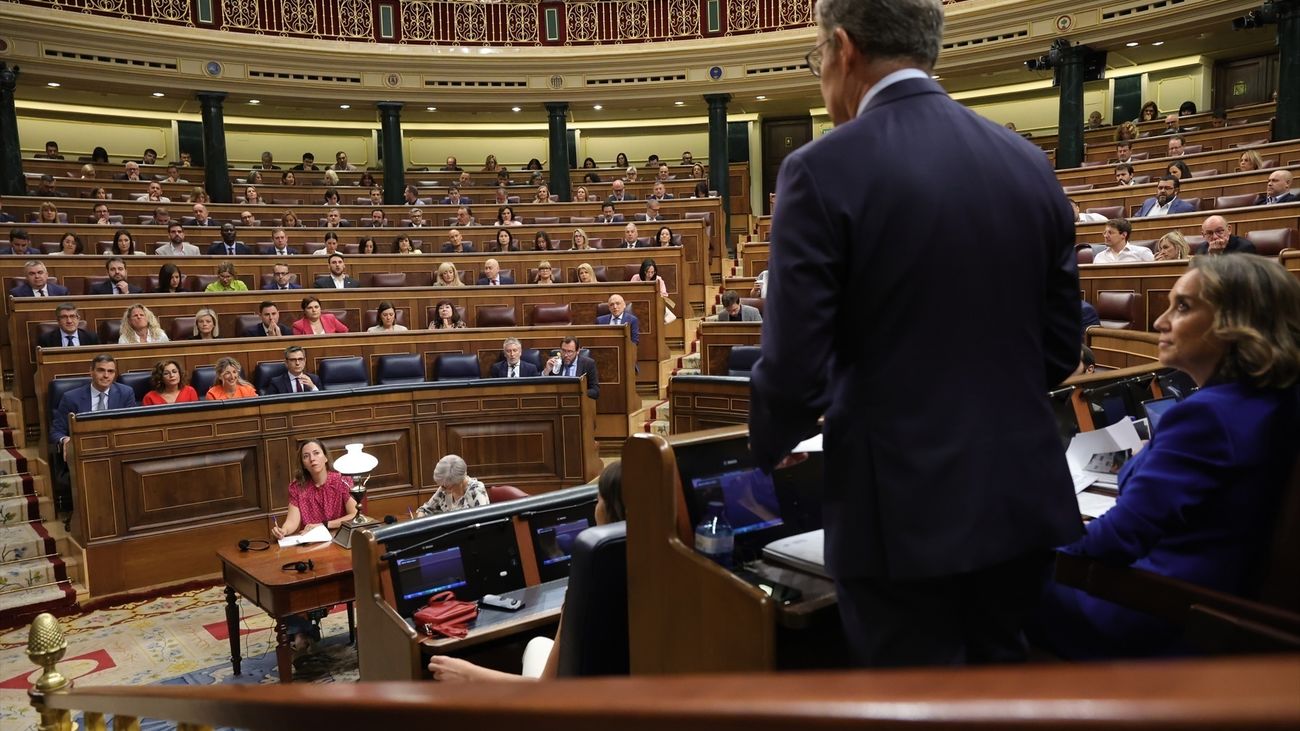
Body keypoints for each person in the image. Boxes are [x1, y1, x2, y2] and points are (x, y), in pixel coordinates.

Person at [748, 0, 1081, 669]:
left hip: (900, 514)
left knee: (912, 699)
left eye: (817, 58)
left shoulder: (819, 168)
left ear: (844, 49)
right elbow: (1059, 346)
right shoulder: (1026, 160)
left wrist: (770, 441)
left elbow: (795, 369)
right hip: (1020, 496)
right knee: (1004, 689)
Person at [1032, 255, 1300, 659]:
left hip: (1153, 610)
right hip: (1216, 601)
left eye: (1183, 307)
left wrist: (1031, 547)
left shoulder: (1208, 416)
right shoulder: (1275, 400)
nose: (1160, 321)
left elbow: (1117, 539)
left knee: (988, 569)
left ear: (1239, 323)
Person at [426, 461, 624, 682]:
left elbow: (546, 692)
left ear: (607, 510)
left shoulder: (586, 589)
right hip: (632, 692)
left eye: (598, 500)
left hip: (586, 700)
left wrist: (469, 675)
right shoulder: (648, 571)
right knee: (538, 644)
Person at [272, 439, 360, 650]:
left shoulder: (341, 481)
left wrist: (324, 524)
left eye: (316, 453)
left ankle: (302, 632)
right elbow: (293, 521)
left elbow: (355, 515)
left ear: (325, 456)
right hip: (311, 547)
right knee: (290, 580)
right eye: (306, 456)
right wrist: (283, 530)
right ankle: (303, 629)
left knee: (320, 579)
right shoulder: (298, 487)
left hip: (338, 545)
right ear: (302, 463)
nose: (312, 459)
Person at [51, 354, 138, 460]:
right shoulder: (71, 397)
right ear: (91, 371)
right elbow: (56, 431)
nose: (106, 375)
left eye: (111, 371)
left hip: (116, 449)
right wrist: (65, 439)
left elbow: (133, 425)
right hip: (85, 450)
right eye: (101, 370)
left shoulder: (126, 393)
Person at [416, 455, 489, 516]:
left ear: (459, 481)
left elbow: (482, 520)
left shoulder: (476, 491)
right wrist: (420, 518)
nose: (442, 489)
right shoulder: (444, 488)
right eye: (441, 485)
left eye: (445, 486)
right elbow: (425, 510)